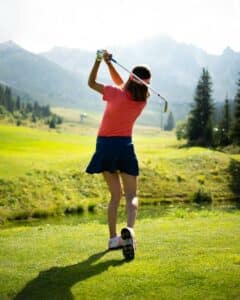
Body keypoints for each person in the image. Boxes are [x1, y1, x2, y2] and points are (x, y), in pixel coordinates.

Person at [86, 50, 151, 260]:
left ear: (131, 79)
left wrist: (98, 61)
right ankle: (129, 230)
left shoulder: (115, 93)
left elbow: (91, 82)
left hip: (105, 146)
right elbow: (125, 84)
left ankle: (114, 239)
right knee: (132, 196)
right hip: (125, 146)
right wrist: (109, 64)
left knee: (115, 196)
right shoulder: (142, 102)